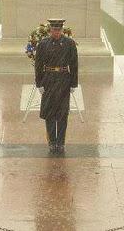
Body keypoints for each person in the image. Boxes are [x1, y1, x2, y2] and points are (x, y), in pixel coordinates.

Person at [35, 19, 78, 155]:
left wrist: (73, 83)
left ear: (62, 30)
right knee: (49, 113)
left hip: (64, 80)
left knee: (62, 113)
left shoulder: (69, 44)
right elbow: (38, 65)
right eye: (54, 30)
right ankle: (52, 142)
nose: (56, 32)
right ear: (50, 30)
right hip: (48, 80)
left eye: (59, 30)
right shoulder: (43, 44)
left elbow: (74, 64)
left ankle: (61, 142)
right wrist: (39, 83)